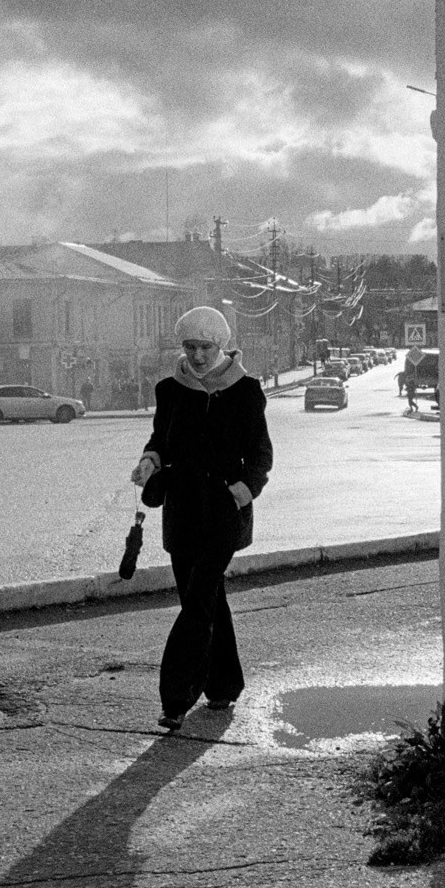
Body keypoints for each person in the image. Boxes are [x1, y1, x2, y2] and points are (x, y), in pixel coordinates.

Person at [129, 307, 273, 730]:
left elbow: (261, 457)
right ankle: (225, 686)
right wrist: (149, 462)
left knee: (196, 601)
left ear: (222, 345)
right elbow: (161, 440)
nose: (196, 355)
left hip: (224, 512)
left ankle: (175, 700)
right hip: (182, 509)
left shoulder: (246, 390)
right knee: (208, 599)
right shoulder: (170, 389)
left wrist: (241, 493)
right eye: (189, 346)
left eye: (205, 347)